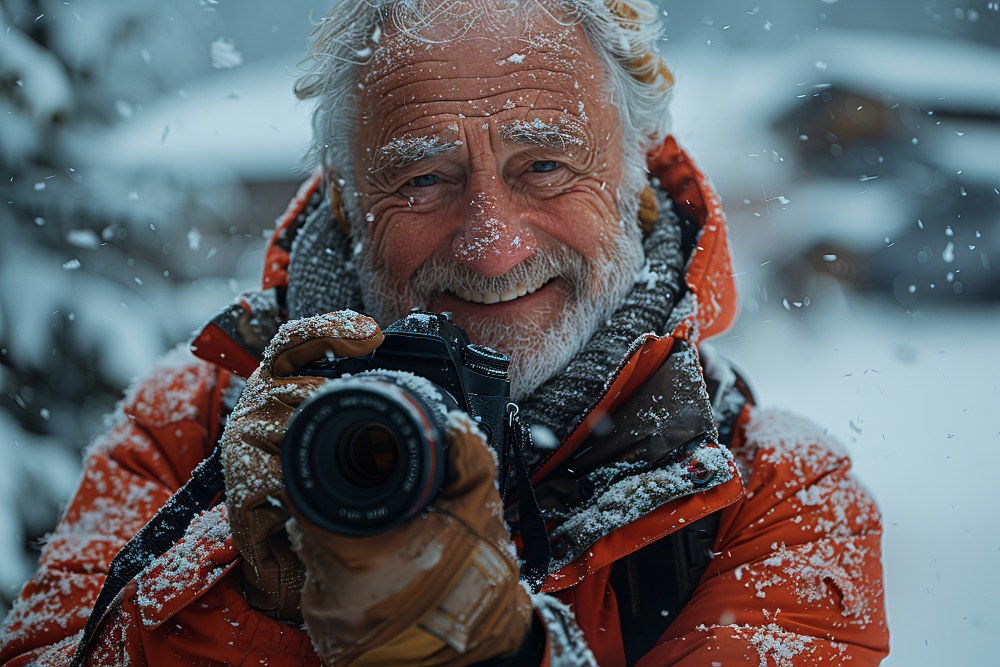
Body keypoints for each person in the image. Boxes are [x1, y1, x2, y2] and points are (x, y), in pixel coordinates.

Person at [0, 0, 890, 665]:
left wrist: (501, 649)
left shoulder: (773, 489)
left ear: (635, 183)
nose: (493, 247)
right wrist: (252, 593)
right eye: (423, 178)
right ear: (350, 202)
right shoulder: (190, 425)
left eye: (544, 166)